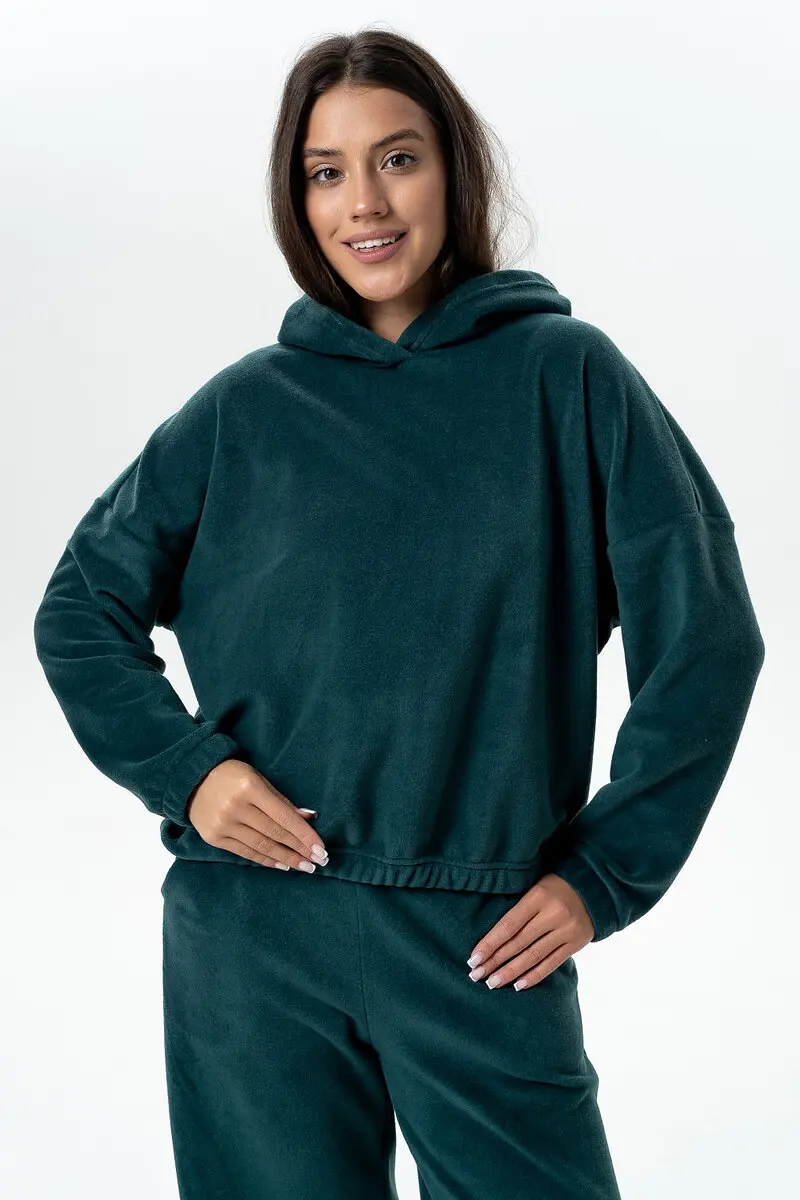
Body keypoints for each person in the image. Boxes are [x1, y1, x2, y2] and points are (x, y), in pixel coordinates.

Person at [32, 26, 765, 1200]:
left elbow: (707, 642)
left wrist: (604, 874)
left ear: (452, 171)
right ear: (296, 199)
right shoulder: (243, 410)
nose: (362, 203)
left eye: (397, 158)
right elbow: (79, 608)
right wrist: (189, 776)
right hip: (249, 932)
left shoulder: (566, 378)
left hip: (478, 939)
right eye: (325, 172)